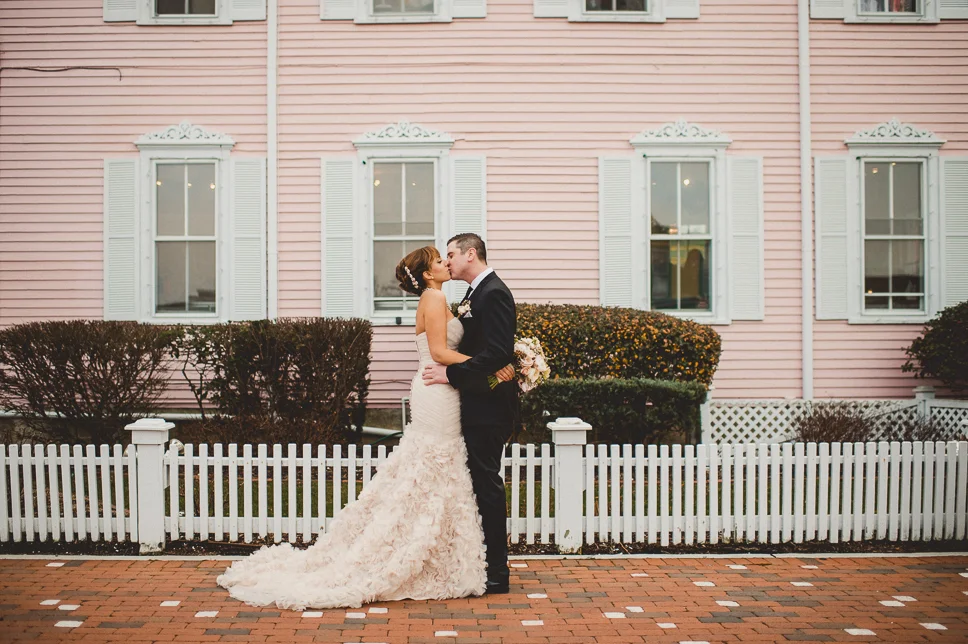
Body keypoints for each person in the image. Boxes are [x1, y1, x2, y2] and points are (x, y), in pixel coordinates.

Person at [217, 245, 512, 610]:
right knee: (433, 466)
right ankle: (413, 548)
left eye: (448, 256)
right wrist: (489, 367)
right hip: (438, 388)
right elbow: (438, 351)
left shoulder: (443, 297)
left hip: (443, 388)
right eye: (440, 260)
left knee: (436, 468)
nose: (445, 263)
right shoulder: (434, 298)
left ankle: (434, 549)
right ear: (426, 274)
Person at [422, 233, 518, 595]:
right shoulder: (473, 294)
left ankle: (497, 573)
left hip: (490, 408)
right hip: (475, 402)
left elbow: (496, 354)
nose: (447, 261)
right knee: (477, 483)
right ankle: (479, 563)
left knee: (487, 486)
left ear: (470, 254)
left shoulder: (493, 292)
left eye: (451, 254)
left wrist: (451, 373)